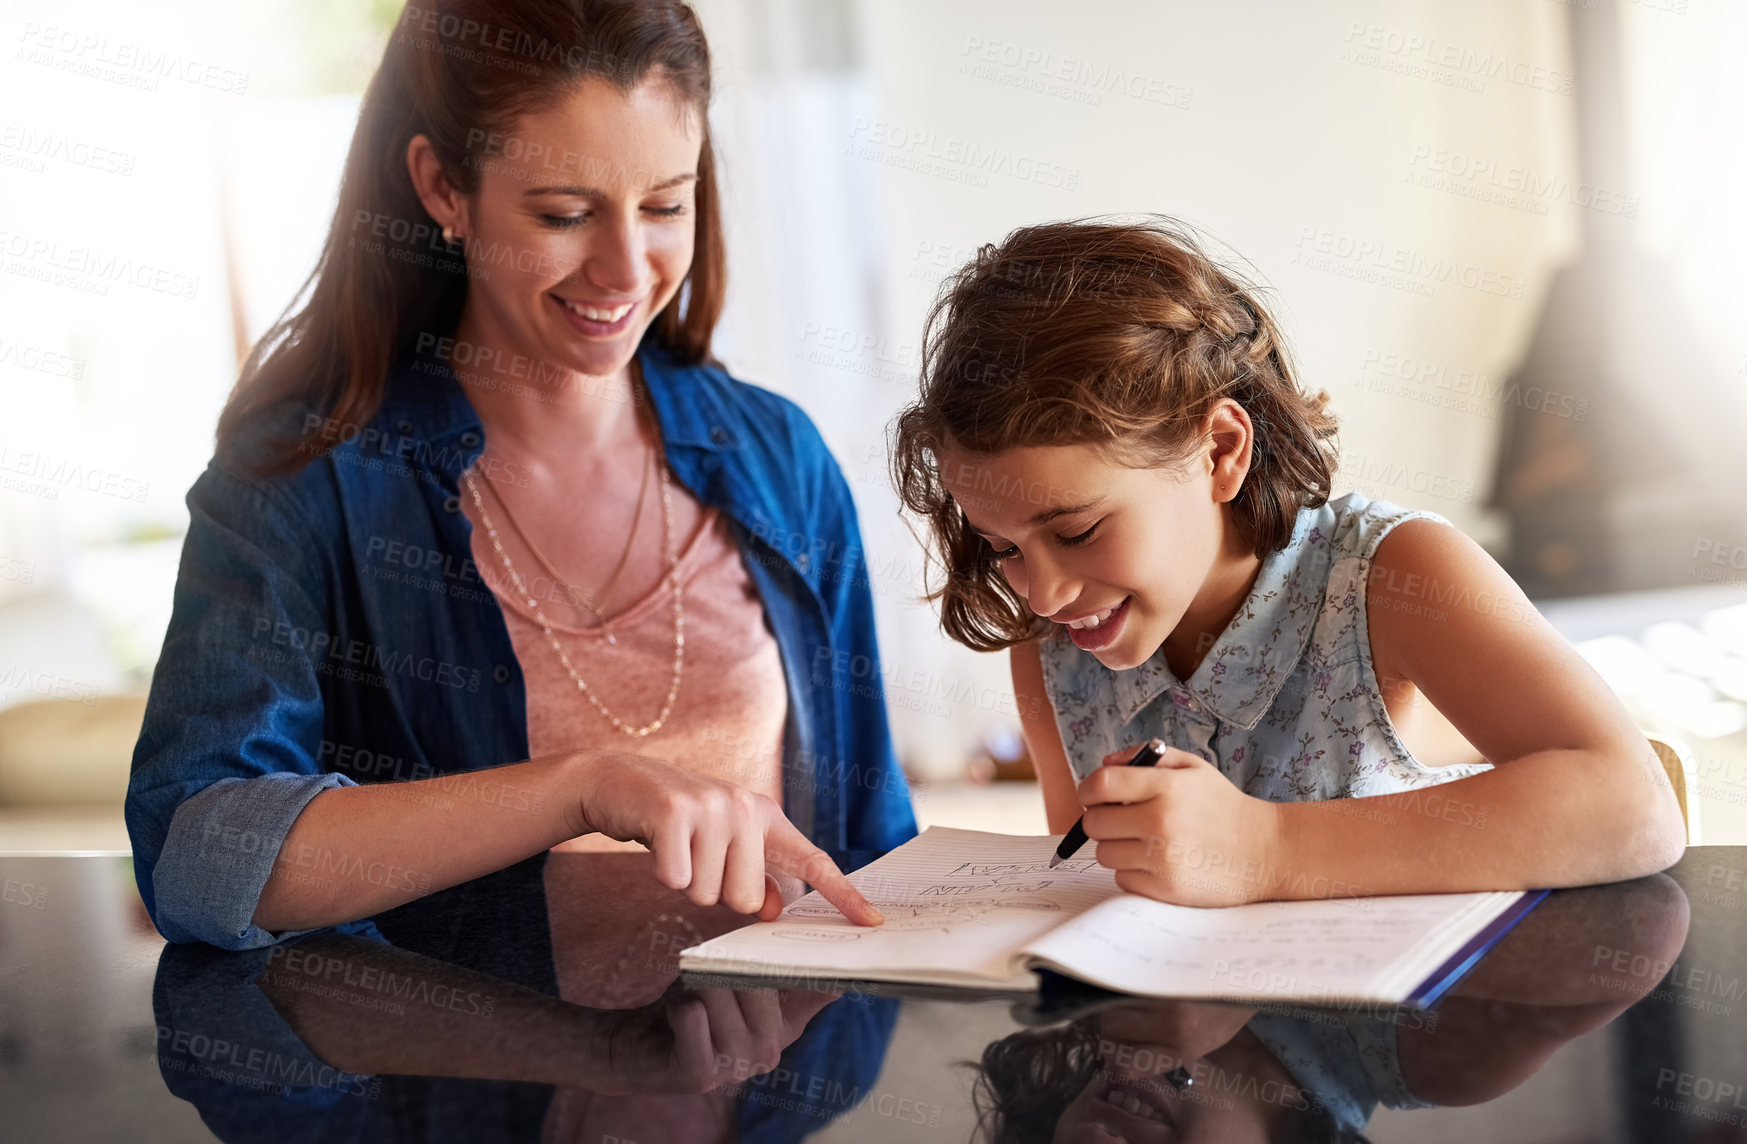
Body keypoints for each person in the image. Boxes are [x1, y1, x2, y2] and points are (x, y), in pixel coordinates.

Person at [125, 0, 913, 952]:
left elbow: (874, 857)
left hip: (756, 1084)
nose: (626, 269)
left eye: (665, 204)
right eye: (565, 213)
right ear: (442, 188)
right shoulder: (302, 478)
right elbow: (198, 857)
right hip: (467, 1095)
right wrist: (578, 787)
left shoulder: (778, 457)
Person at [889, 216, 1686, 907]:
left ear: (1221, 451)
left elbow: (1631, 808)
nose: (1044, 591)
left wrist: (1264, 849)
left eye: (1078, 531)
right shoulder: (1057, 639)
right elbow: (1094, 880)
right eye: (1001, 548)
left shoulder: (1391, 575)